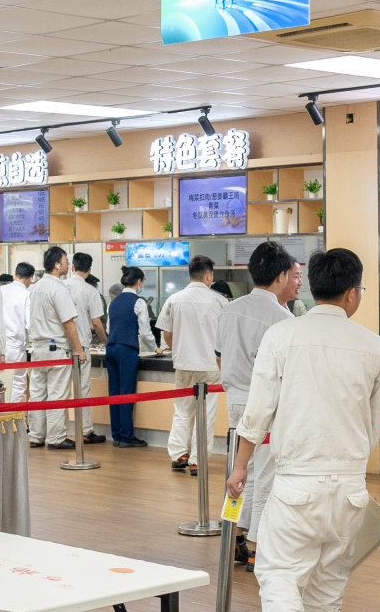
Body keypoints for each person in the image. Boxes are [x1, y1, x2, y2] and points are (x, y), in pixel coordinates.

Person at [226, 248, 380, 612]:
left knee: (277, 571)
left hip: (296, 482)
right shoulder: (374, 346)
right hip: (350, 486)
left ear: (312, 286)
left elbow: (257, 412)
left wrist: (240, 467)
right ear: (353, 293)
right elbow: (375, 423)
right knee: (328, 579)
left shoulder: (282, 335)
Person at [217, 242, 300, 569]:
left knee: (238, 473)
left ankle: (236, 534)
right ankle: (255, 546)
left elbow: (219, 356)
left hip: (234, 400)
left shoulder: (229, 309)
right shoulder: (282, 318)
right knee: (264, 475)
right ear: (281, 276)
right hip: (265, 406)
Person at [158, 255, 229, 473]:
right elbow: (227, 336)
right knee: (205, 413)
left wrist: (180, 349)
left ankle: (179, 454)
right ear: (208, 276)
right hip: (210, 365)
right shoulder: (220, 301)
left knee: (182, 410)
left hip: (183, 364)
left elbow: (167, 334)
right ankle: (197, 459)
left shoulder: (174, 299)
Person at [26, 245, 86, 449]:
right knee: (57, 394)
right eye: (66, 261)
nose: (68, 264)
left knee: (37, 394)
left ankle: (36, 436)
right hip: (56, 348)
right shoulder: (58, 288)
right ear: (57, 265)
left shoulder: (35, 287)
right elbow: (68, 322)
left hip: (38, 348)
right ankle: (56, 438)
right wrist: (79, 349)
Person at [105, 266, 159, 449]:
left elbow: (108, 328)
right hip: (126, 350)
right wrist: (155, 348)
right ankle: (127, 436)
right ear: (138, 281)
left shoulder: (113, 302)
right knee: (126, 392)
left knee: (114, 393)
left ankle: (117, 435)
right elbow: (145, 332)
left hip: (111, 348)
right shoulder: (139, 302)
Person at [65, 251, 109, 444]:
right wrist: (107, 342)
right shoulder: (91, 291)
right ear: (89, 270)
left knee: (59, 391)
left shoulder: (61, 286)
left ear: (72, 267)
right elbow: (97, 323)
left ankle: (57, 434)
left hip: (61, 346)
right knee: (82, 389)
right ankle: (85, 430)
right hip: (81, 346)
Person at [3, 261, 33, 403]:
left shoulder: (0, 290)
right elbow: (30, 324)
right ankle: (15, 416)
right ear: (31, 278)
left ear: (14, 275)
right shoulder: (26, 294)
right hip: (15, 347)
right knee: (17, 384)